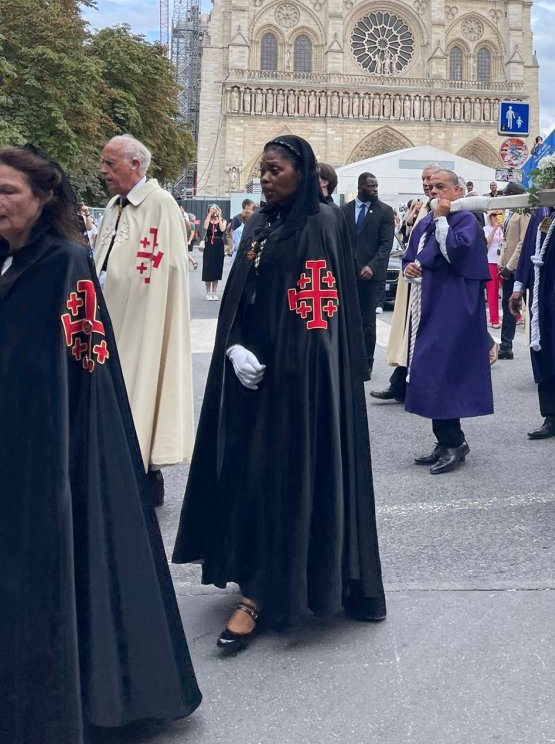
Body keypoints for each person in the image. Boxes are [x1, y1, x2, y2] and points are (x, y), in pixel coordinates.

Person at [0, 145, 201, 741]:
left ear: (43, 197)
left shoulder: (63, 262)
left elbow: (77, 365)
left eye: (8, 192)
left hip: (44, 446)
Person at [173, 135, 386, 650]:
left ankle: (267, 592)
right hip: (253, 375)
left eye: (275, 170)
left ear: (303, 172)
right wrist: (235, 347)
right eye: (263, 170)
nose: (266, 178)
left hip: (300, 381)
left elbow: (321, 313)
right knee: (247, 475)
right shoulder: (259, 223)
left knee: (287, 479)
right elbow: (242, 297)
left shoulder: (323, 223)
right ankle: (251, 570)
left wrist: (294, 367)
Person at [95, 134, 193, 507]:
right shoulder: (115, 204)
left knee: (142, 388)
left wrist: (130, 295)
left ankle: (143, 478)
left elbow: (164, 266)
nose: (103, 171)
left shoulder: (161, 204)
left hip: (141, 318)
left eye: (110, 163)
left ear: (135, 165)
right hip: (108, 316)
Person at [402, 168, 493, 473]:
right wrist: (410, 269)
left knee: (444, 372)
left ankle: (454, 442)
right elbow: (411, 256)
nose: (433, 191)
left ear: (457, 191)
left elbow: (456, 252)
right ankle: (445, 440)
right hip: (430, 302)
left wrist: (441, 219)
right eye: (429, 186)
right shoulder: (426, 221)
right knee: (429, 371)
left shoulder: (464, 219)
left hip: (454, 305)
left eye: (441, 186)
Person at [372, 164, 439, 403]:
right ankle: (400, 381)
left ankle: (407, 383)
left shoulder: (445, 208)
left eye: (430, 179)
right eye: (423, 179)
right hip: (413, 278)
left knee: (421, 334)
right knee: (409, 332)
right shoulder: (423, 205)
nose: (426, 183)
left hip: (430, 281)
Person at [511, 205, 555, 439]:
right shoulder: (541, 213)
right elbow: (530, 245)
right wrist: (518, 287)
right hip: (542, 292)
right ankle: (552, 417)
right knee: (542, 350)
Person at [340, 172, 395, 377]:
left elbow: (386, 244)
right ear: (360, 186)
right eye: (370, 187)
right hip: (347, 275)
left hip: (369, 276)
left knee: (367, 322)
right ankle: (348, 359)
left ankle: (366, 363)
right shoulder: (343, 212)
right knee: (346, 319)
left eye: (376, 186)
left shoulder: (384, 211)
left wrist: (372, 266)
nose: (374, 190)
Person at [497, 182, 527, 358]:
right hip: (507, 264)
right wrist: (502, 262)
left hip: (518, 266)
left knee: (513, 304)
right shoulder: (510, 212)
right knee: (506, 304)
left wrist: (510, 266)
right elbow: (506, 240)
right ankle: (506, 346)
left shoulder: (524, 212)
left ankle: (507, 345)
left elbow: (522, 242)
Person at [484, 209, 504, 328]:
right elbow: (486, 244)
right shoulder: (486, 229)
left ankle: (516, 316)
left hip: (503, 262)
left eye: (499, 215)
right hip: (491, 261)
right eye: (494, 215)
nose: (496, 217)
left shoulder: (505, 227)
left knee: (508, 289)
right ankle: (494, 320)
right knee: (492, 291)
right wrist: (495, 229)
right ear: (490, 217)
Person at [202, 203, 226, 299]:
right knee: (208, 268)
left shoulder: (223, 220)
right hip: (209, 245)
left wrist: (219, 216)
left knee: (217, 267)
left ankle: (214, 292)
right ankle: (208, 292)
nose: (214, 211)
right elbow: (205, 227)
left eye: (216, 209)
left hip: (218, 245)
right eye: (212, 209)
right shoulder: (208, 220)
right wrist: (209, 214)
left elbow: (222, 229)